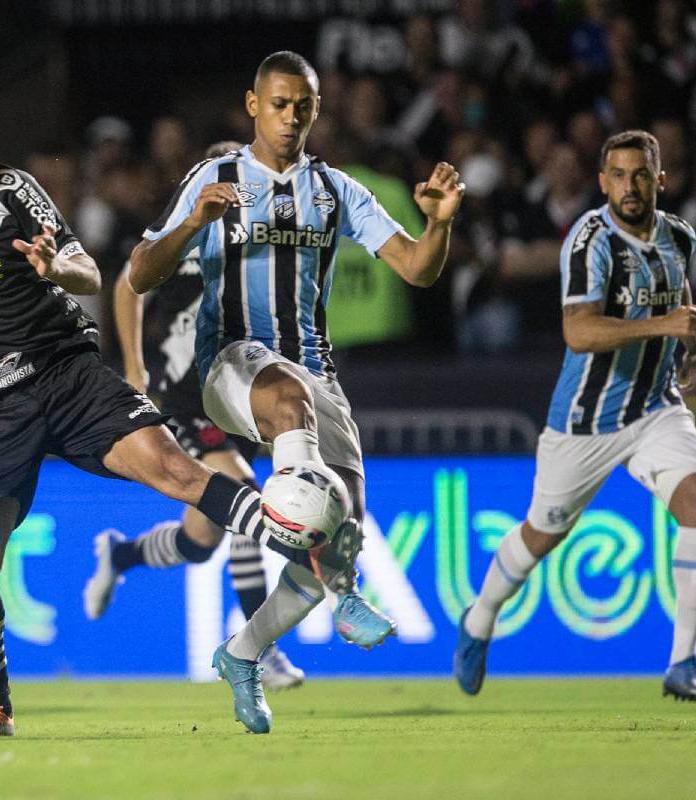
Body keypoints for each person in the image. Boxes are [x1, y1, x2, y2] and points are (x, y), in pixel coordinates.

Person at [0, 90, 363, 738]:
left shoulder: (10, 188)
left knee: (173, 469)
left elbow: (87, 271)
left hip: (66, 376)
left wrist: (55, 268)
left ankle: (299, 539)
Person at [129, 52, 464, 732]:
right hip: (230, 365)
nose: (290, 117)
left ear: (316, 111)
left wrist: (442, 223)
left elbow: (416, 270)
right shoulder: (216, 177)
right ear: (253, 106)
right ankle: (338, 584)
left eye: (302, 107)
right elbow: (139, 273)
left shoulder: (335, 190)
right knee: (286, 399)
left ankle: (243, 652)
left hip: (317, 375)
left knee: (336, 535)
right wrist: (192, 222)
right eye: (278, 104)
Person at [453, 130, 696, 705]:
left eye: (641, 174)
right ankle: (479, 619)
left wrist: (691, 352)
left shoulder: (678, 236)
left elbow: (680, 295)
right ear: (603, 183)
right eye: (619, 175)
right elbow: (578, 332)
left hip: (655, 410)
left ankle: (683, 661)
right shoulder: (589, 241)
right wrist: (664, 328)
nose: (630, 186)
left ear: (659, 179)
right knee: (540, 536)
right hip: (584, 423)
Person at [86, 142, 305, 691]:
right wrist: (135, 367)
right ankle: (261, 651)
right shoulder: (185, 234)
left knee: (203, 537)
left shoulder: (256, 248)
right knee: (243, 491)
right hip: (183, 393)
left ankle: (123, 554)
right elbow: (127, 287)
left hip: (235, 394)